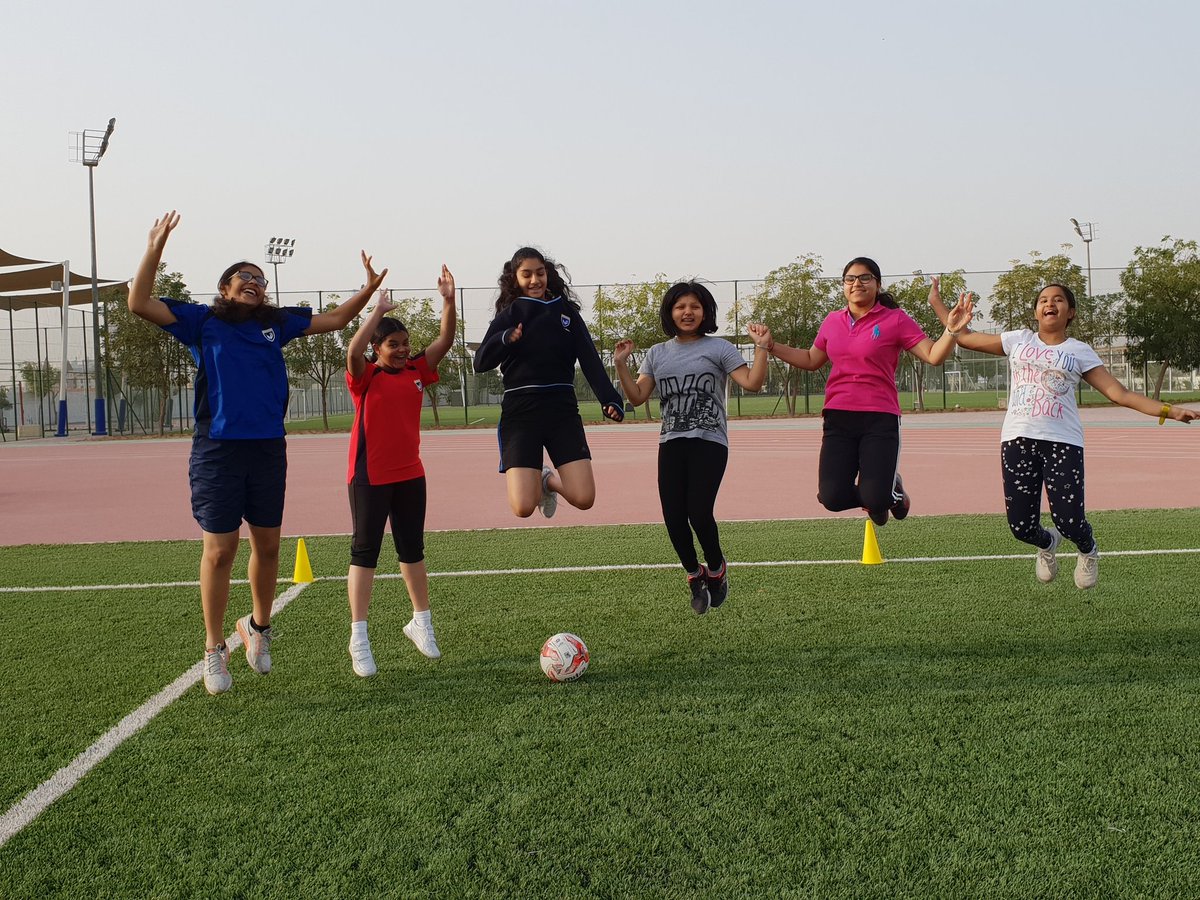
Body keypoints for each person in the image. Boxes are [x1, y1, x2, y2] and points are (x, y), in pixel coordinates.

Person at [127, 211, 385, 695]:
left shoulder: (276, 324)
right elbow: (138, 302)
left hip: (268, 449)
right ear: (225, 288)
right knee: (221, 550)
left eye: (261, 281)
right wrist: (154, 247)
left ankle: (258, 631)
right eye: (246, 277)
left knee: (268, 548)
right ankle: (213, 648)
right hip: (218, 451)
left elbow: (334, 320)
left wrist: (368, 290)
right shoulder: (201, 321)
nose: (256, 283)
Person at [928, 279, 1197, 588]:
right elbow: (963, 337)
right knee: (1021, 527)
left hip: (1063, 443)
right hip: (1018, 440)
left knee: (1069, 521)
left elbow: (1119, 393)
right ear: (1035, 312)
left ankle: (1088, 549)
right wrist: (938, 304)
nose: (1049, 304)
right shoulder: (1018, 340)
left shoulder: (1079, 351)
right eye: (1043, 300)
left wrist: (1170, 411)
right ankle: (1046, 544)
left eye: (1058, 300)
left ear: (1071, 313)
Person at [613, 281, 772, 614]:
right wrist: (621, 366)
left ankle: (716, 569)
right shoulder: (657, 353)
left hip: (710, 441)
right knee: (673, 517)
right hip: (671, 442)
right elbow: (638, 396)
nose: (687, 312)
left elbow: (753, 384)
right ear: (670, 312)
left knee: (698, 512)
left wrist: (762, 348)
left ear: (705, 312)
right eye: (680, 307)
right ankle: (693, 575)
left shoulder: (719, 349)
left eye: (695, 306)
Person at [765, 257, 958, 527]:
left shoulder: (896, 320)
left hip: (879, 418)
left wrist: (951, 330)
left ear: (877, 285)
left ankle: (887, 495)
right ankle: (877, 499)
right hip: (838, 418)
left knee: (877, 497)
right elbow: (810, 359)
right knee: (831, 498)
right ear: (844, 286)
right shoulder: (832, 321)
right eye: (850, 279)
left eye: (865, 278)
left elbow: (933, 355)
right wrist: (772, 345)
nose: (857, 283)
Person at [343, 270, 457, 676]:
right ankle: (359, 638)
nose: (402, 350)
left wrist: (448, 301)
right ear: (378, 347)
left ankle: (421, 623)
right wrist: (376, 311)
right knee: (365, 552)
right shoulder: (366, 376)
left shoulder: (416, 373)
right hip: (370, 476)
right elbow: (353, 351)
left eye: (406, 344)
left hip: (411, 474)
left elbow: (444, 341)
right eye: (393, 345)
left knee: (413, 549)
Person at [473, 247, 624, 519]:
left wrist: (610, 399)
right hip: (521, 413)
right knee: (523, 507)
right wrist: (505, 339)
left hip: (561, 412)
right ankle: (540, 482)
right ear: (515, 278)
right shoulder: (510, 314)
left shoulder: (566, 313)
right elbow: (481, 362)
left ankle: (547, 481)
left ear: (548, 274)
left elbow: (590, 359)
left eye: (540, 273)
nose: (535, 280)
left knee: (584, 498)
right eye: (526, 274)